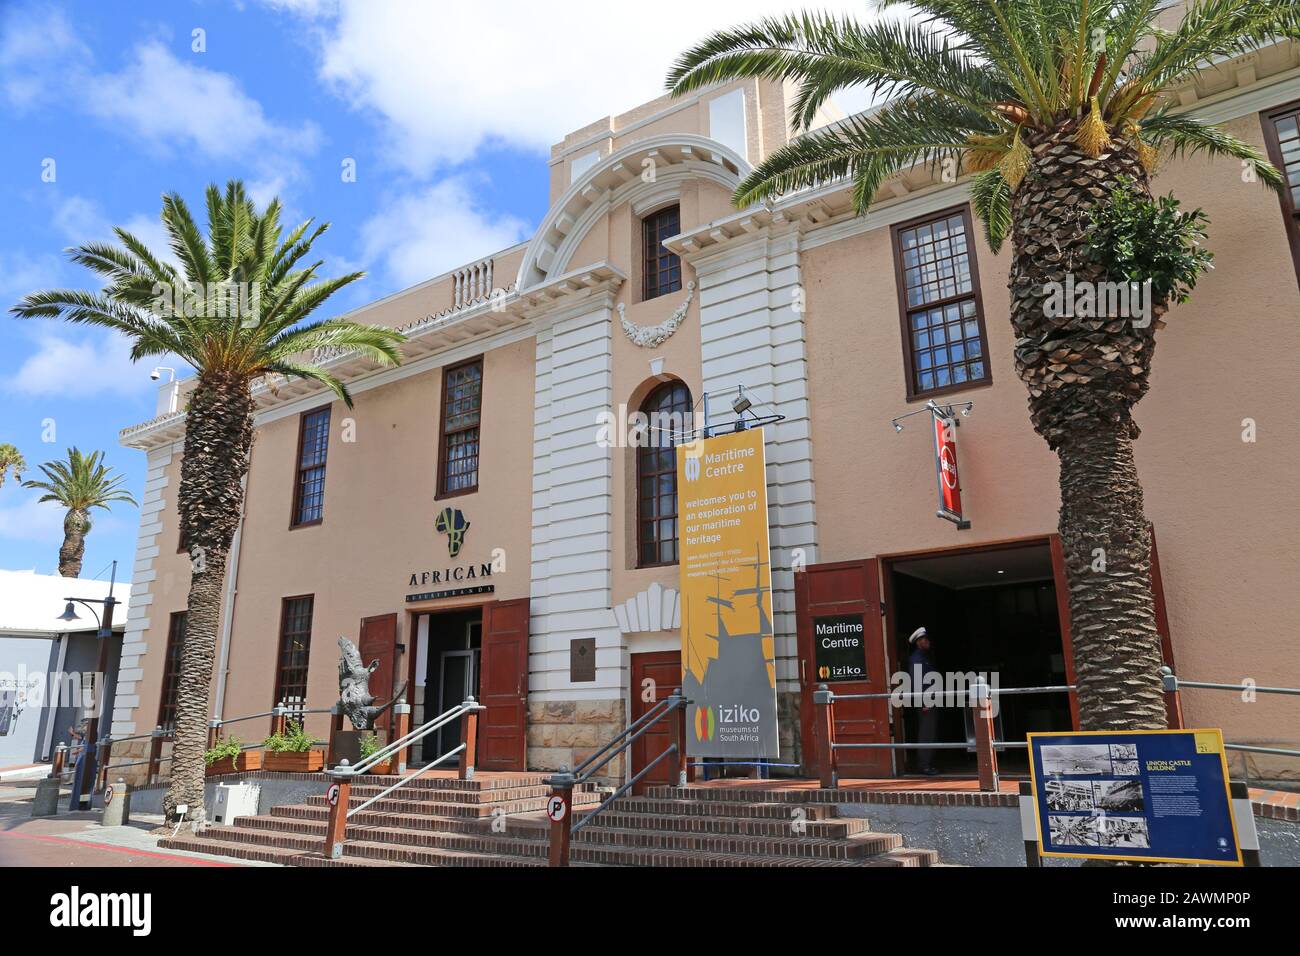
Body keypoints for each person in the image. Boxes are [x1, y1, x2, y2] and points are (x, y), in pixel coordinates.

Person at [908, 627, 940, 776]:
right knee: (926, 733)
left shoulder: (924, 658)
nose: (928, 642)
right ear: (919, 642)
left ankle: (929, 763)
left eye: (927, 639)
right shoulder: (917, 659)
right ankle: (924, 766)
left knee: (931, 732)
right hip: (925, 701)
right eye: (925, 640)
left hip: (931, 699)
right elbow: (918, 683)